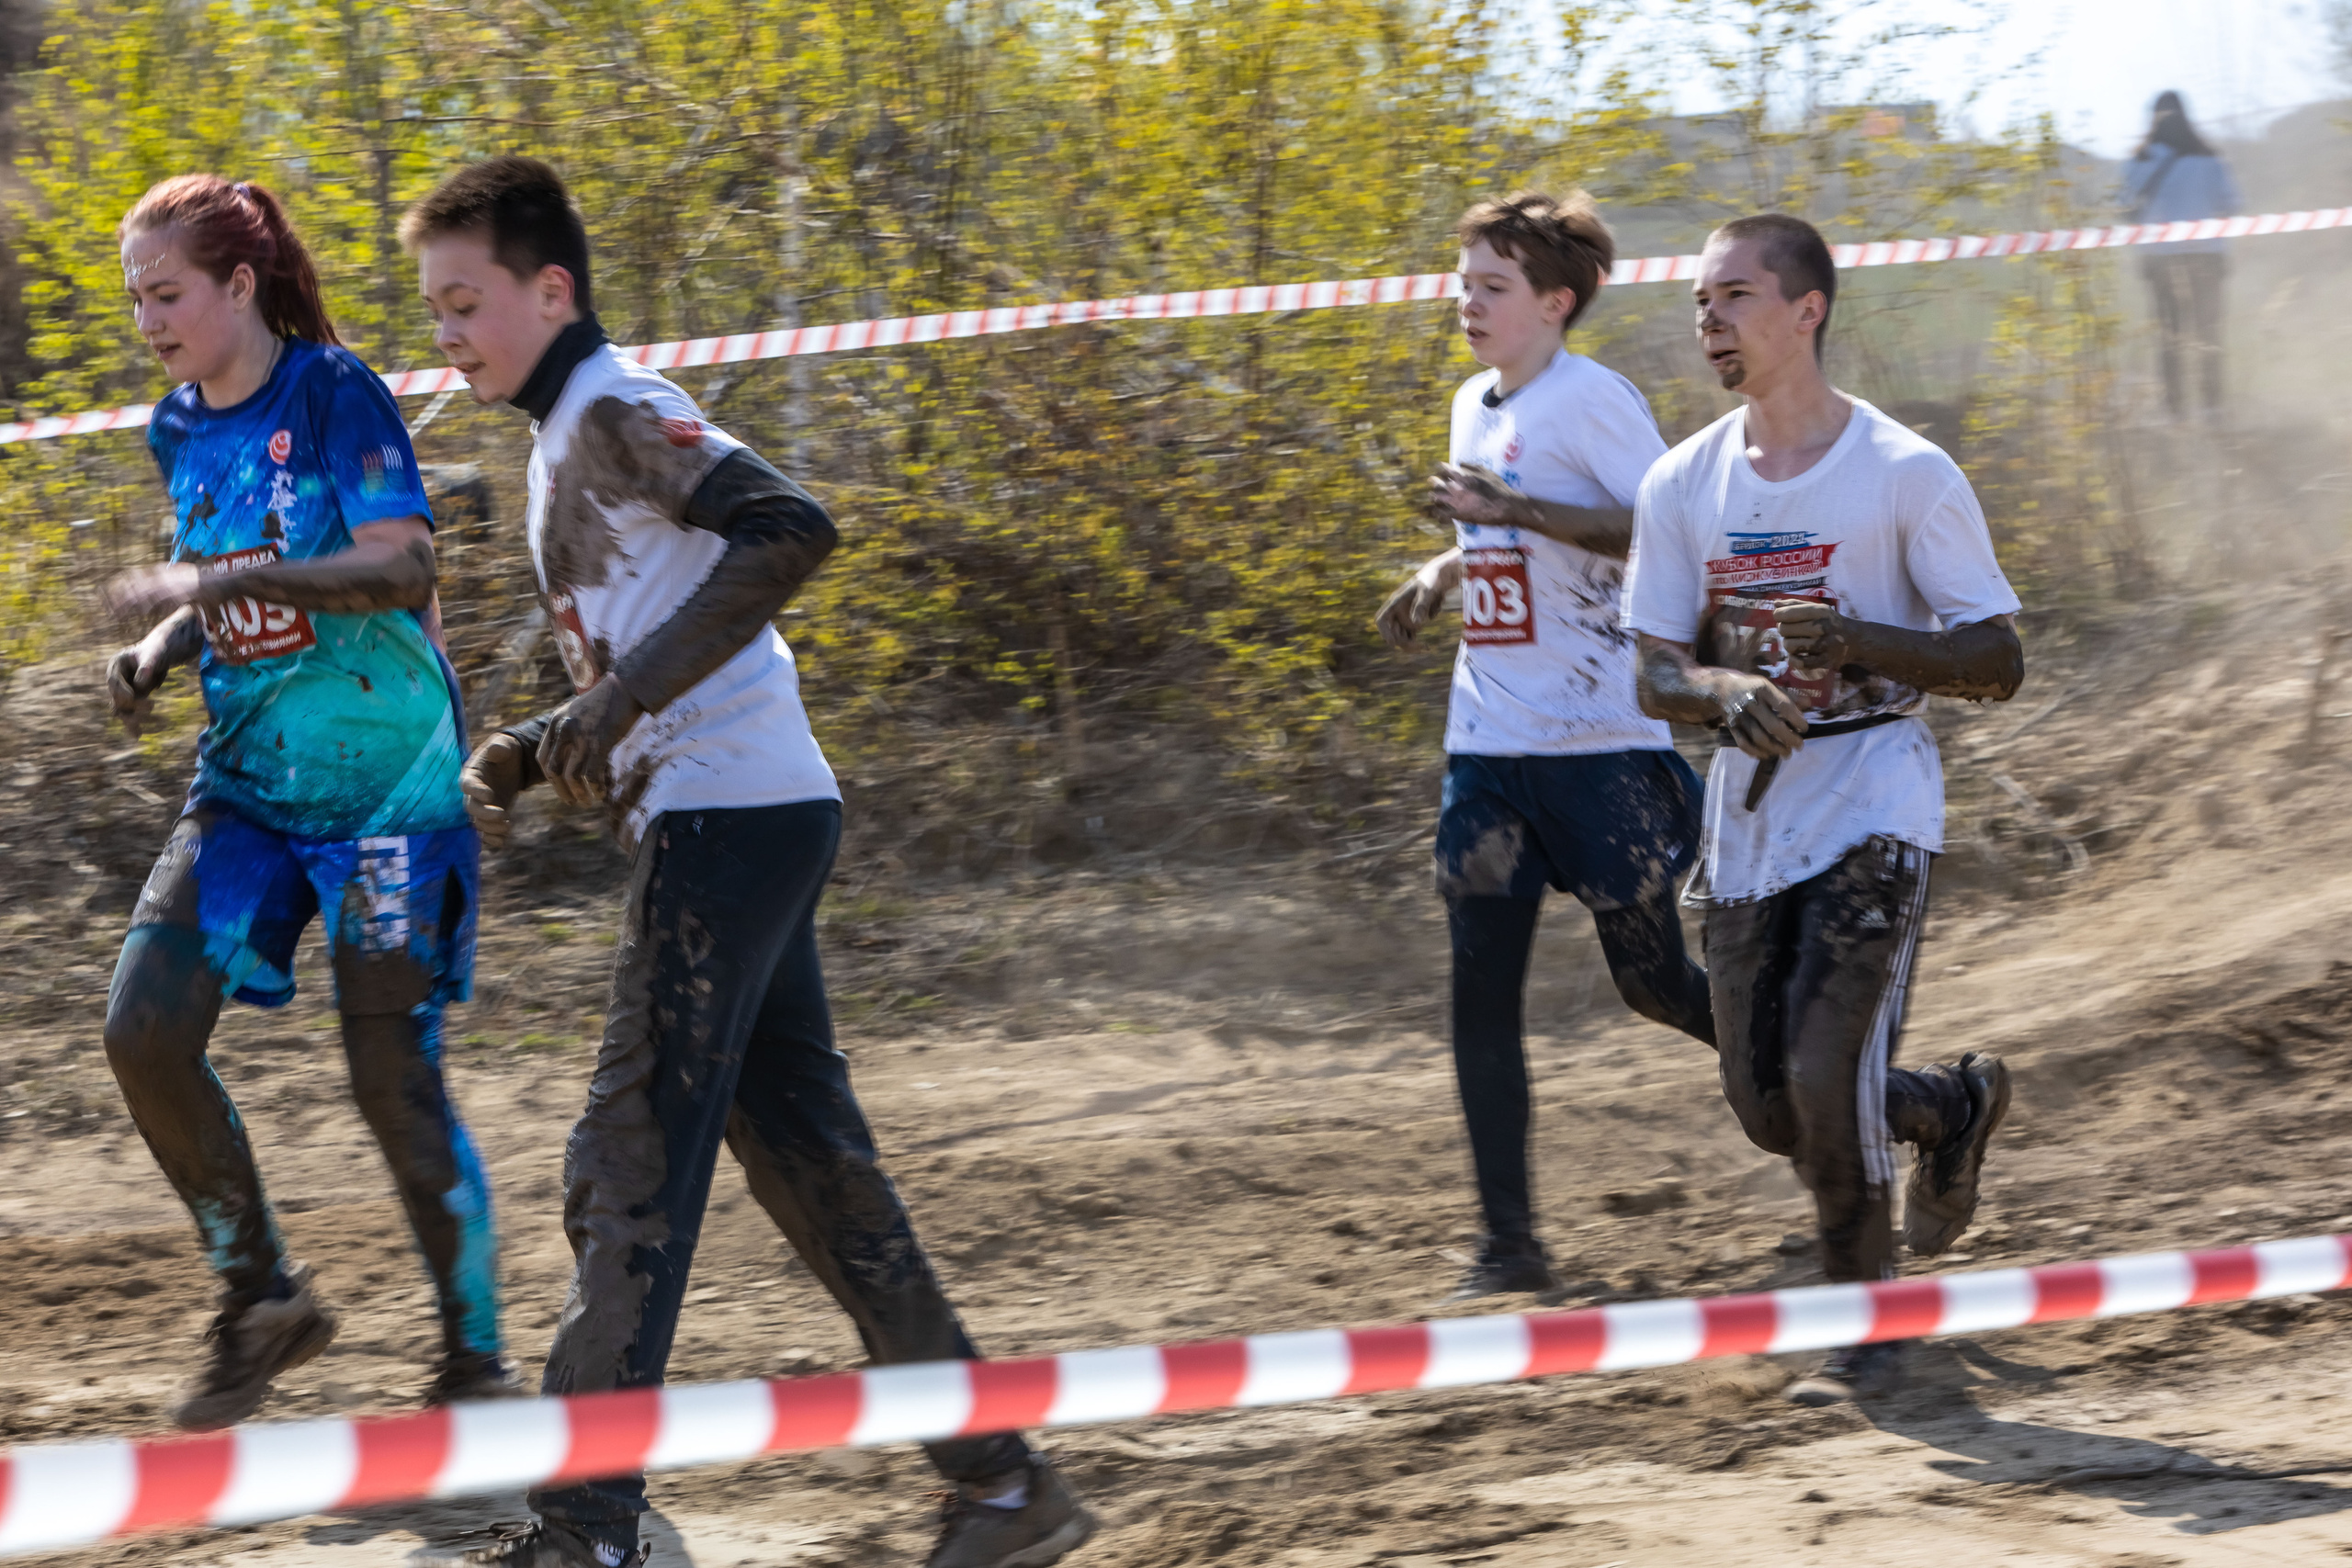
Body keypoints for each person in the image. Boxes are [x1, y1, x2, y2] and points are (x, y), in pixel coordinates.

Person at [399, 157, 1097, 1568]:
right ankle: (1007, 1486)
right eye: (434, 310)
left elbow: (789, 525)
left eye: (466, 303)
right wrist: (530, 745)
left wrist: (616, 701)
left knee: (625, 1159)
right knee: (814, 1171)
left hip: (731, 818)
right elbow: (650, 629)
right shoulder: (561, 436)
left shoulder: (615, 408)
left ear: (552, 290)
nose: (446, 334)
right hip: (738, 810)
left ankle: (588, 1527)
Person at [99, 175, 507, 1429]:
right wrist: (162, 645)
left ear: (239, 284)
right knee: (143, 1029)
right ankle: (262, 1295)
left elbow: (405, 562)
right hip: (250, 784)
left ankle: (477, 1364)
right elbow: (226, 577)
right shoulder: (177, 426)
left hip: (389, 791)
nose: (148, 321)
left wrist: (219, 587)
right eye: (135, 300)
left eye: (167, 294)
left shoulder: (335, 392)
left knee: (391, 1077)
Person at [1624, 213, 2020, 1405]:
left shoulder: (1905, 471)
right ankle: (1948, 1106)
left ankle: (1872, 1337)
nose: (1710, 320)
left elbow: (1997, 659)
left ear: (1807, 311)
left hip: (1875, 801)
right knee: (1768, 1106)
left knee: (1823, 1068)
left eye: (1734, 296)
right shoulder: (1681, 480)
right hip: (1749, 819)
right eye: (1700, 302)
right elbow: (1653, 669)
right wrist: (1719, 692)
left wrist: (1856, 641)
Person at [1374, 192, 1714, 1304]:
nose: (1465, 303)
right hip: (1490, 744)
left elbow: (1665, 532)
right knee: (1479, 997)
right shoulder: (1470, 402)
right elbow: (1507, 536)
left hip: (1600, 746)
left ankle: (1869, 1097)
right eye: (1463, 283)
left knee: (1655, 987)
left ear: (1556, 303)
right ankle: (1508, 1245)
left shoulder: (1591, 399)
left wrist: (1514, 513)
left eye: (1492, 286)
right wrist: (1447, 568)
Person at [2121, 90, 2242, 419]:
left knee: (2169, 337)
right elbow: (2232, 204)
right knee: (2209, 332)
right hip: (2207, 256)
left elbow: (2125, 208)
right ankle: (2212, 408)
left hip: (2160, 260)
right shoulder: (2209, 159)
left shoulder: (2140, 161)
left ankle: (2174, 411)